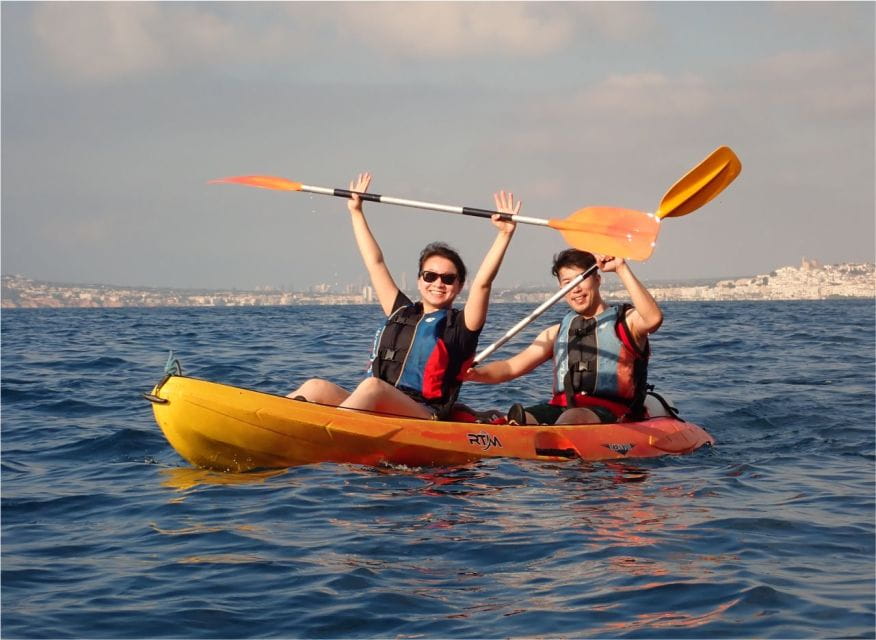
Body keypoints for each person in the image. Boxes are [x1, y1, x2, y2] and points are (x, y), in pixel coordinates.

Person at [288, 172, 519, 419]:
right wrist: (356, 212)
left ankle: (329, 430)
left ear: (459, 285)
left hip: (424, 414)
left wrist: (504, 234)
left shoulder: (462, 326)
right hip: (380, 405)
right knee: (315, 387)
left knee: (372, 387)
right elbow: (375, 263)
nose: (438, 283)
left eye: (448, 278)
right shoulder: (401, 311)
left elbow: (483, 283)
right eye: (430, 276)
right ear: (419, 280)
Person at [463, 248, 663, 425]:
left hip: (614, 412)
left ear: (597, 280)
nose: (576, 289)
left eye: (582, 279)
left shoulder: (626, 322)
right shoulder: (555, 332)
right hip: (561, 408)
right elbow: (511, 367)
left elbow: (653, 318)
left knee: (574, 417)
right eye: (568, 282)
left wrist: (621, 268)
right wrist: (475, 374)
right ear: (561, 287)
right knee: (518, 417)